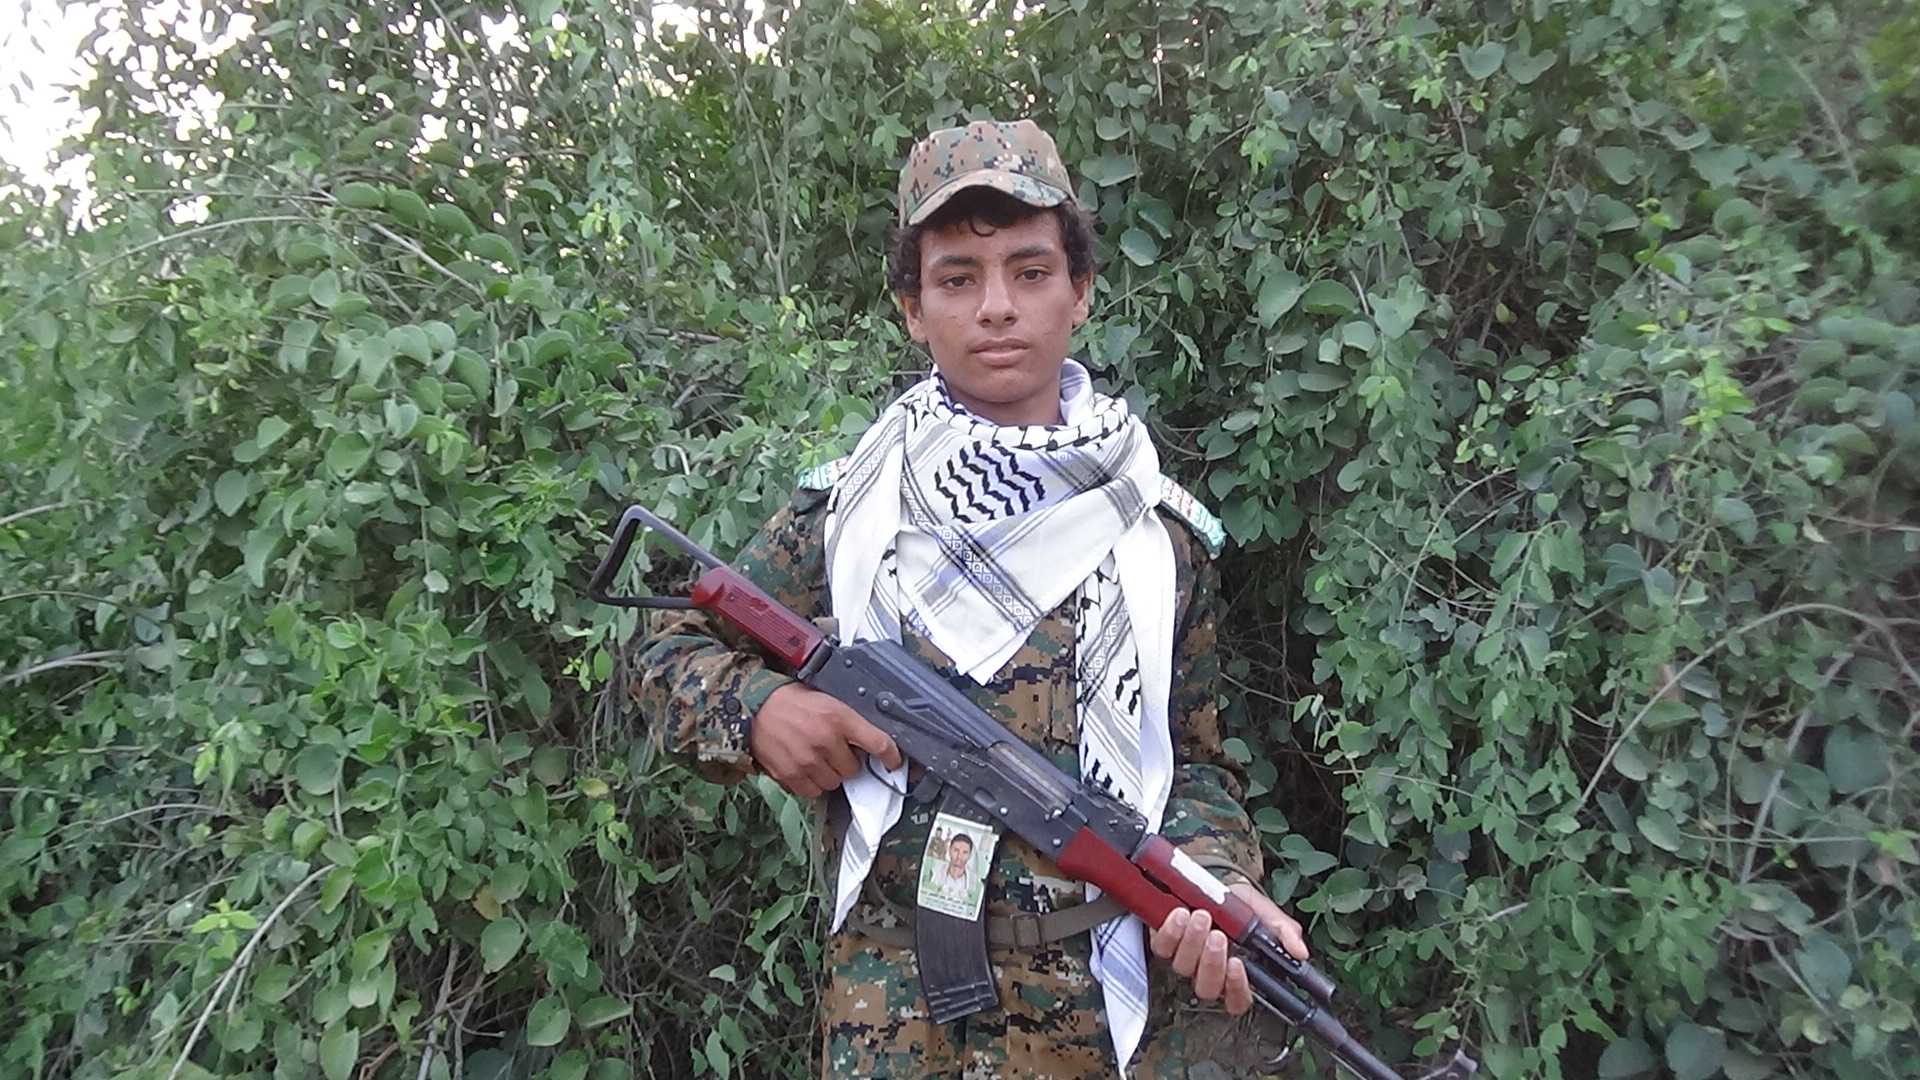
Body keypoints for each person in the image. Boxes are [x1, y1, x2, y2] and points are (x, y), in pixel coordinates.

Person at [633, 117, 1308, 1079]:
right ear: (913, 308)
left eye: (1031, 272)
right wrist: (760, 710)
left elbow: (1194, 765)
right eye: (957, 279)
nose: (997, 308)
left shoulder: (1154, 539)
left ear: (1080, 292)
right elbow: (670, 646)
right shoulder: (848, 513)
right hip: (885, 1010)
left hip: (1093, 1015)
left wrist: (1220, 884)